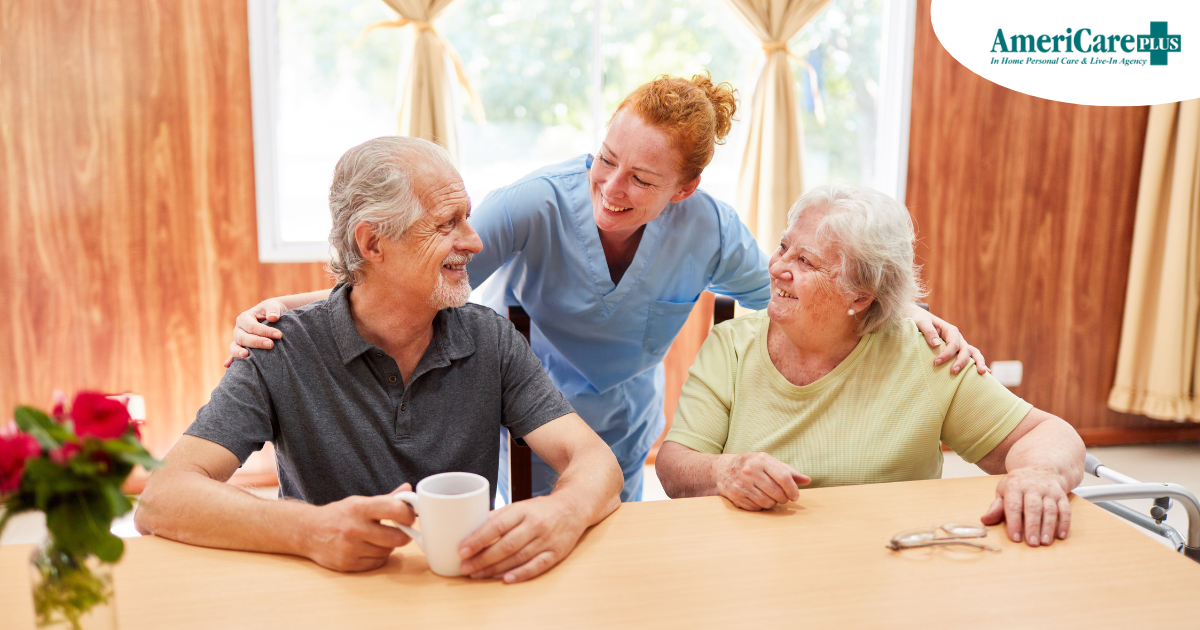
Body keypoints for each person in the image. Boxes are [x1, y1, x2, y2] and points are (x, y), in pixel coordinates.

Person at [224, 74, 987, 503]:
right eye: (604, 159)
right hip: (520, 401)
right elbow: (417, 273)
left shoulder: (711, 229)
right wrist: (291, 310)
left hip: (622, 420)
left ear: (684, 190)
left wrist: (908, 314)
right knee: (513, 527)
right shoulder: (534, 204)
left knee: (607, 537)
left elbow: (799, 288)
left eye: (642, 179)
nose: (611, 188)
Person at [135, 137, 623, 582]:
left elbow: (595, 460)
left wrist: (564, 512)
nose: (474, 241)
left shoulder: (489, 339)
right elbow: (162, 498)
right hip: (325, 595)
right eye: (446, 223)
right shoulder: (278, 348)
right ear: (372, 243)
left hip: (462, 590)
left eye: (467, 218)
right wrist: (309, 529)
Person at [655, 184, 1085, 547]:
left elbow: (1046, 433)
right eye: (784, 247)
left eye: (806, 261)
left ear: (860, 297)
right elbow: (675, 466)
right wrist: (723, 471)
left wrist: (1038, 474)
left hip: (889, 564)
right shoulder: (731, 347)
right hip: (752, 560)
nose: (778, 268)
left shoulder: (924, 355)